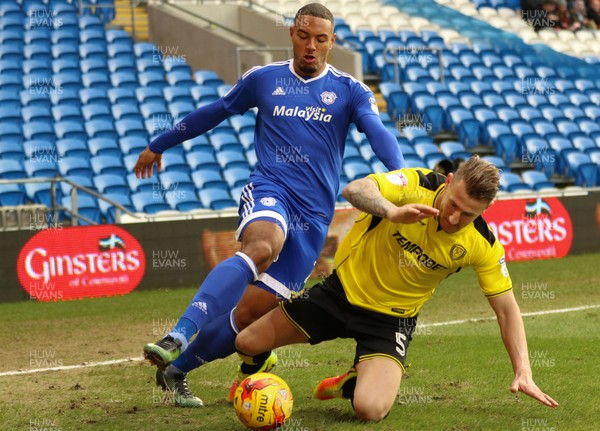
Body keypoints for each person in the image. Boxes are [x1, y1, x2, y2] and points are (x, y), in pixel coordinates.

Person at [134, 3, 405, 407]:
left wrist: (403, 178)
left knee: (247, 318)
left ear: (332, 42)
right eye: (303, 35)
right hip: (270, 189)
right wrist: (159, 144)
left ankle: (176, 371)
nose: (311, 46)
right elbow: (216, 111)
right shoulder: (264, 79)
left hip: (313, 220)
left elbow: (377, 132)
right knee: (261, 247)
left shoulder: (350, 90)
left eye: (320, 39)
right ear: (292, 35)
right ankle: (178, 333)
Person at [235, 156, 558, 421]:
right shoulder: (415, 184)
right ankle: (258, 369)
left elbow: (506, 310)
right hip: (338, 293)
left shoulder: (482, 244)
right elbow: (355, 189)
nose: (454, 217)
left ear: (483, 212)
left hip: (390, 322)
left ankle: (353, 381)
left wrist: (524, 371)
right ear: (447, 182)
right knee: (247, 342)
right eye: (454, 203)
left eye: (468, 214)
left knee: (370, 410)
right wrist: (391, 211)